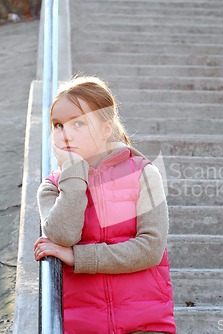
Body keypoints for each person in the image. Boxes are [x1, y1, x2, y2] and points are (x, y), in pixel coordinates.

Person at [33, 76, 176, 334]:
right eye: (58, 125)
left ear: (105, 128)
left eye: (78, 123)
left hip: (146, 324)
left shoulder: (144, 174)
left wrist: (78, 257)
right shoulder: (52, 187)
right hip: (83, 326)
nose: (66, 133)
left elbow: (150, 249)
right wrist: (74, 172)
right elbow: (63, 235)